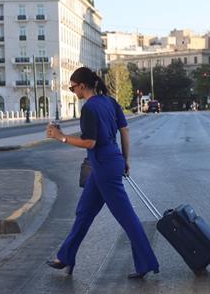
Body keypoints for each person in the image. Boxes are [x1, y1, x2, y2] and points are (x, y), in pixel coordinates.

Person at [45, 67, 159, 279]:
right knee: (84, 213)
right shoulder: (110, 101)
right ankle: (66, 256)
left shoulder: (89, 108)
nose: (72, 92)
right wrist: (125, 159)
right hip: (109, 163)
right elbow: (124, 131)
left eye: (72, 88)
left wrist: (60, 137)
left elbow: (90, 142)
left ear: (81, 86)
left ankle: (146, 263)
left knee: (127, 218)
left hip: (104, 166)